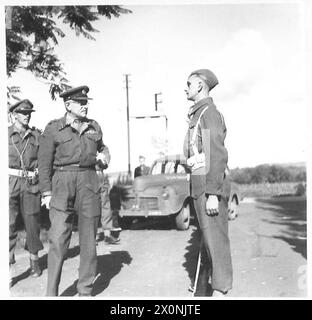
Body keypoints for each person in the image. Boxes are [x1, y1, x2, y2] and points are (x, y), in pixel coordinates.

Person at [38, 85, 109, 296]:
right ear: (68, 105)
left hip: (88, 181)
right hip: (61, 182)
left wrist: (105, 157)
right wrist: (46, 192)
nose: (85, 106)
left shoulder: (94, 126)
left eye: (86, 102)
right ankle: (51, 293)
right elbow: (44, 164)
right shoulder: (53, 128)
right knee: (58, 238)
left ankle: (85, 289)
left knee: (89, 239)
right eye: (81, 103)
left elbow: (103, 148)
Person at [183, 69, 233, 297]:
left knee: (216, 243)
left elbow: (217, 153)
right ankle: (203, 291)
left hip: (207, 182)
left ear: (201, 86)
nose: (186, 88)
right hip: (199, 179)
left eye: (189, 84)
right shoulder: (198, 114)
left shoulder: (208, 113)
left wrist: (213, 193)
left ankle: (221, 290)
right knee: (207, 240)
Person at [8, 99, 43, 279]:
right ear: (14, 115)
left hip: (30, 183)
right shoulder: (5, 134)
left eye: (29, 113)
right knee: (8, 224)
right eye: (23, 113)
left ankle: (34, 262)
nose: (27, 116)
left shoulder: (37, 136)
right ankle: (7, 266)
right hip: (9, 182)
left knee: (32, 223)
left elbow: (45, 162)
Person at [96, 160, 122, 245]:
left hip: (101, 178)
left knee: (106, 209)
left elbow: (105, 163)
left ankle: (107, 236)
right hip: (90, 178)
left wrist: (104, 161)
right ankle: (92, 237)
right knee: (92, 209)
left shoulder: (100, 148)